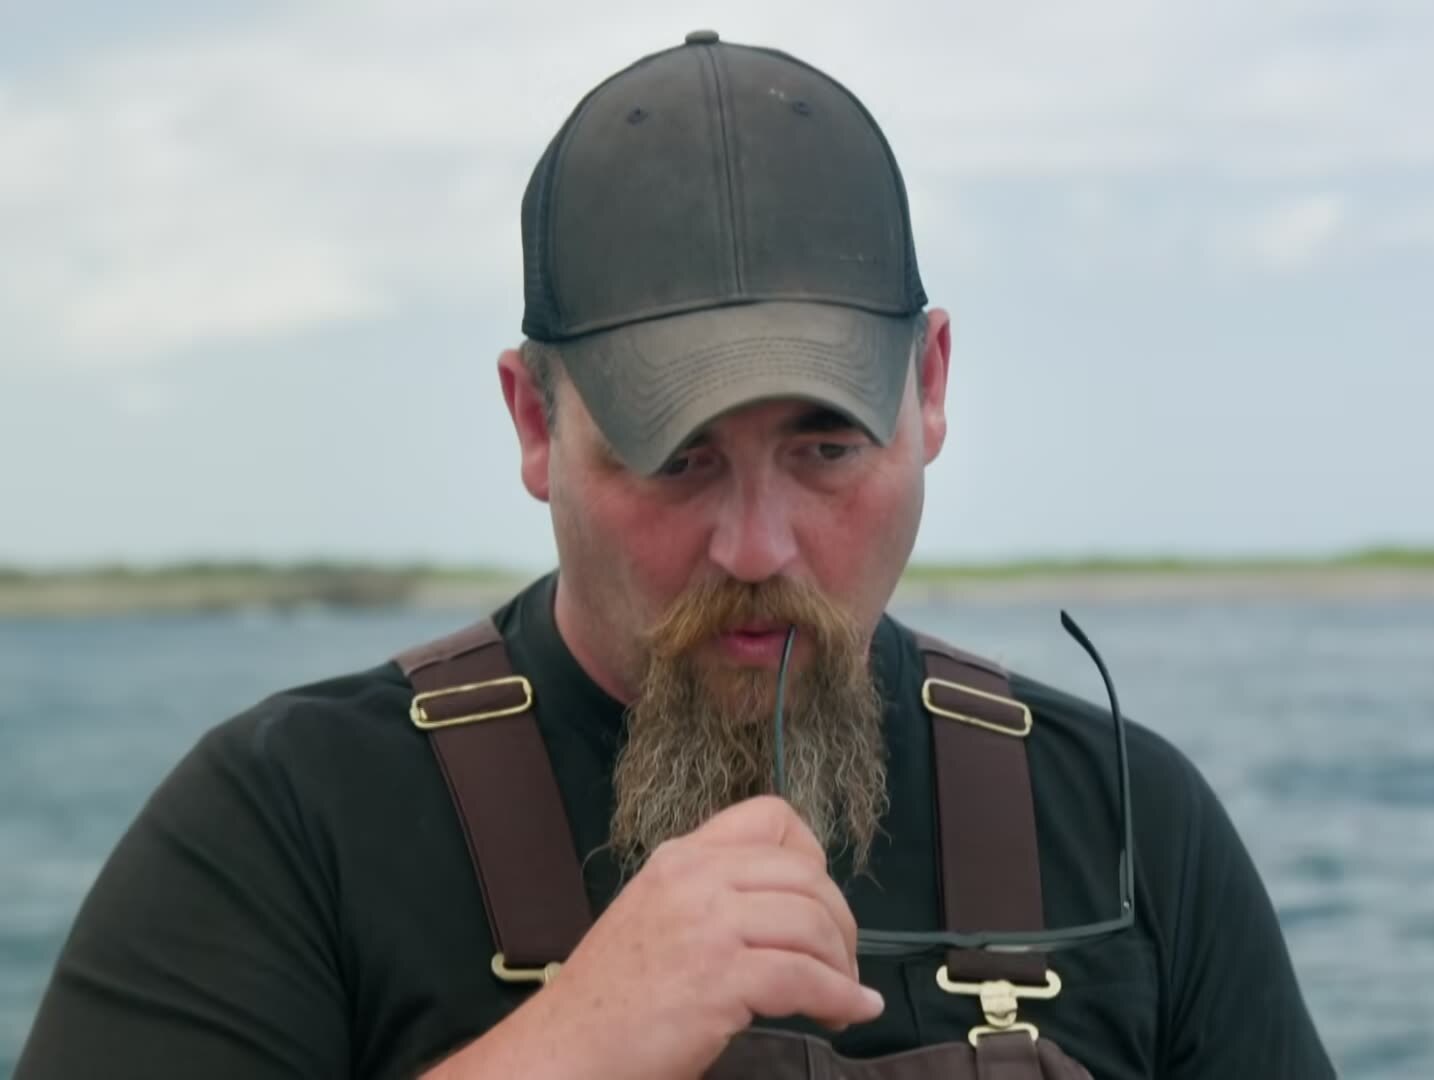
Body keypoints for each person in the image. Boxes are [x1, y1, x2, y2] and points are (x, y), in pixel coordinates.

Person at [15, 30, 1336, 1080]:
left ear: (930, 388)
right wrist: (571, 1046)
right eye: (677, 459)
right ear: (534, 422)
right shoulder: (287, 824)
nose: (757, 547)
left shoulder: (1130, 826)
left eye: (827, 448)